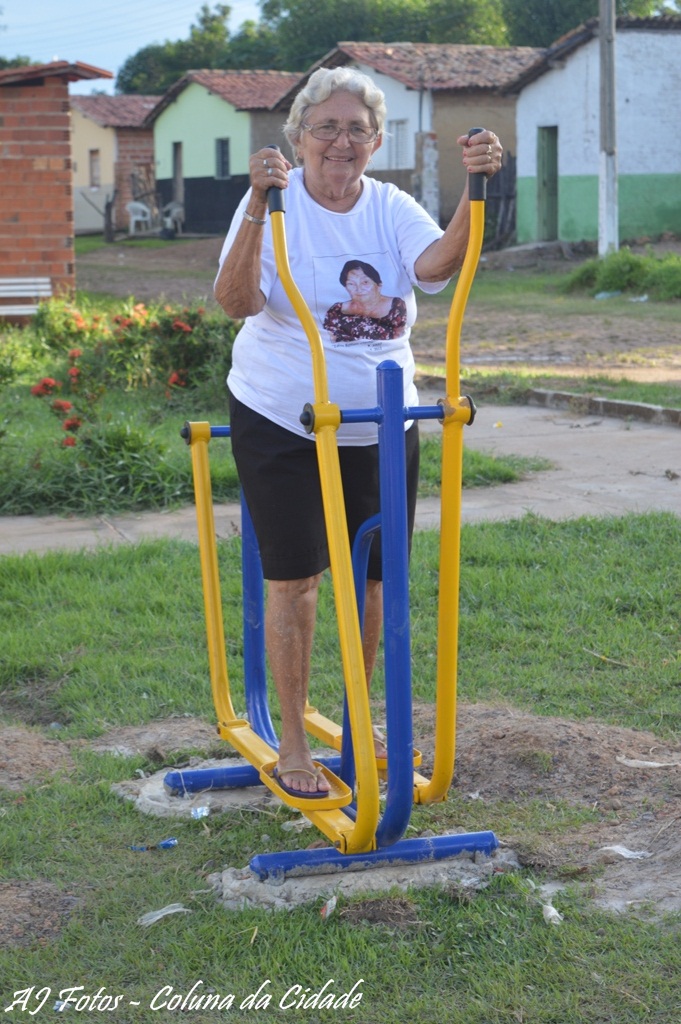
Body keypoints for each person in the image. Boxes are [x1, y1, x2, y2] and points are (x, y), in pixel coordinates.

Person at [214, 66, 501, 797]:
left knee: (374, 580)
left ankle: (354, 715)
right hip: (283, 415)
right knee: (297, 580)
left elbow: (436, 264)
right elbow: (236, 301)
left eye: (357, 130)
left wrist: (474, 190)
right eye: (326, 128)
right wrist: (255, 203)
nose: (341, 143)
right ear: (298, 138)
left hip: (380, 417)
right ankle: (291, 745)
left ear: (376, 142)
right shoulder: (275, 205)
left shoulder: (389, 205)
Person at [323, 260, 407, 342]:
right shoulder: (336, 310)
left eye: (365, 282)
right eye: (351, 284)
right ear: (346, 288)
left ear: (379, 285)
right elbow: (329, 340)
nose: (358, 289)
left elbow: (398, 338)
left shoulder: (396, 306)